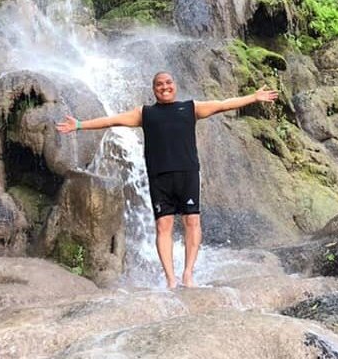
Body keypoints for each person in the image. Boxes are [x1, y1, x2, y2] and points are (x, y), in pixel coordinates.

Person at [56, 71, 278, 289]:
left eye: (168, 83)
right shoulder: (145, 113)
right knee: (164, 225)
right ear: (154, 90)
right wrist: (78, 125)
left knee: (192, 222)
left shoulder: (191, 107)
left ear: (175, 85)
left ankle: (188, 274)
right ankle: (171, 279)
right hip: (159, 177)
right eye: (159, 84)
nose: (164, 87)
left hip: (187, 173)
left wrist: (253, 97)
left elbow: (223, 104)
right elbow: (111, 120)